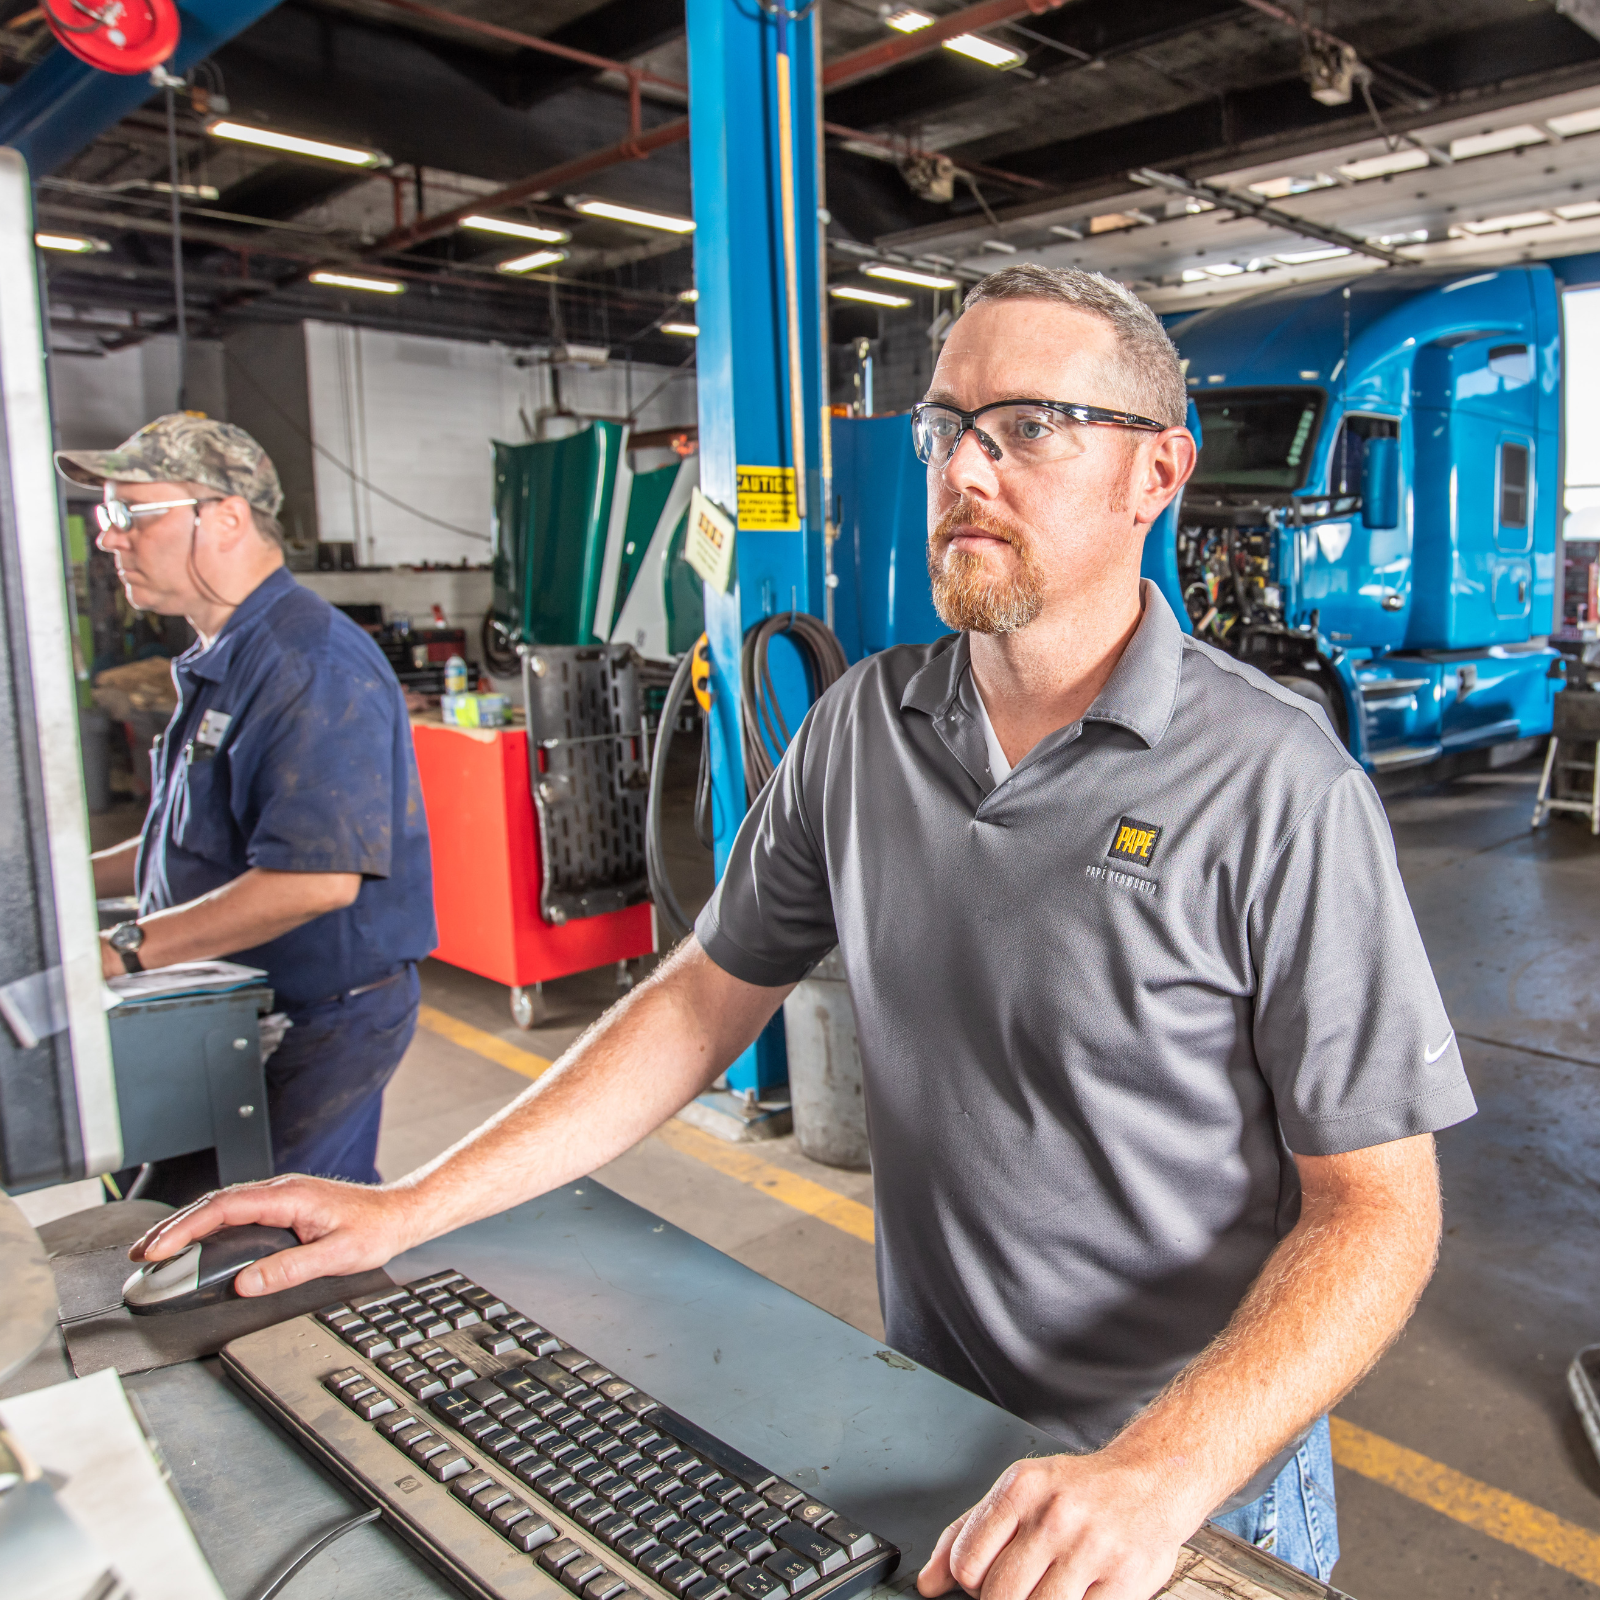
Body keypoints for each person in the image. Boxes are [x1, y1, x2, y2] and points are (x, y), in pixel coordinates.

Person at [129, 271, 1473, 1598]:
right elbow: (704, 994)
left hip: (1186, 1473)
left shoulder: (1277, 784)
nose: (968, 470)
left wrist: (1162, 1472)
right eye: (946, 427)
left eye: (1032, 426)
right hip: (936, 1424)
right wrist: (415, 1203)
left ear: (1158, 474)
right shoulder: (864, 731)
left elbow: (1377, 1211)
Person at [60, 413, 436, 1198]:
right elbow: (194, 842)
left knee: (269, 1243)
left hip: (310, 1023)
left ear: (224, 518)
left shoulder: (306, 661)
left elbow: (312, 880)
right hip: (229, 1010)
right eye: (105, 516)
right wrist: (60, 895)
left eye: (131, 513)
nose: (108, 538)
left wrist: (122, 949)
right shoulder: (224, 655)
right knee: (172, 1216)